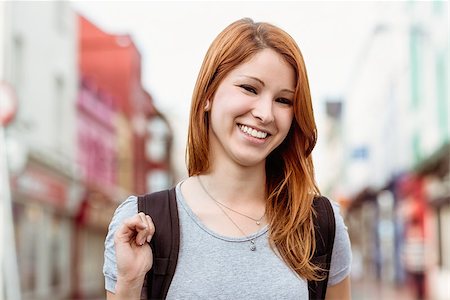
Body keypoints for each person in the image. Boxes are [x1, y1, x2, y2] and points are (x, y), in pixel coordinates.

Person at [103, 18, 352, 299]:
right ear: (209, 94)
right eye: (250, 88)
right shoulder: (142, 224)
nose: (265, 113)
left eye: (283, 100)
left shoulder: (319, 223)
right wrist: (130, 282)